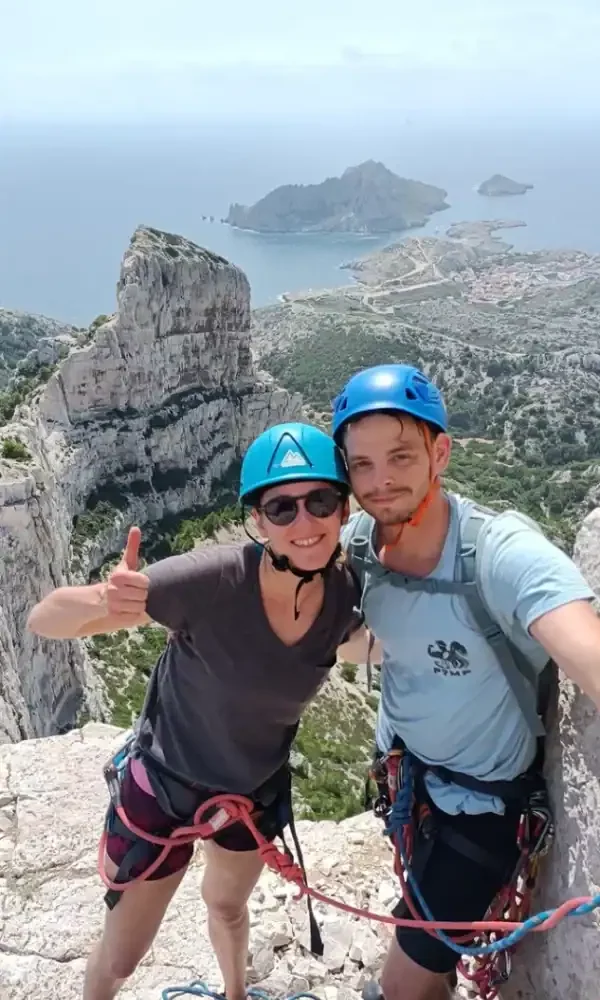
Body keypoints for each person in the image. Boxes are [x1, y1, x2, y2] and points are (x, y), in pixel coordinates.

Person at [27, 421, 363, 1000]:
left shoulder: (345, 595)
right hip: (163, 787)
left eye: (321, 501)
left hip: (251, 793)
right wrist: (103, 601)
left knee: (228, 909)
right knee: (124, 955)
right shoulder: (208, 581)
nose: (304, 523)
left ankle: (235, 994)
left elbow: (383, 645)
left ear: (343, 509)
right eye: (281, 508)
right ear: (257, 521)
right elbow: (44, 620)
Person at [331, 364, 600, 1000]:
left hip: (482, 814)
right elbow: (365, 641)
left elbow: (586, 649)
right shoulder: (362, 544)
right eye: (360, 465)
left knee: (402, 986)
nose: (380, 482)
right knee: (425, 955)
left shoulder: (499, 553)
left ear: (440, 452)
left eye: (400, 456)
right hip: (411, 785)